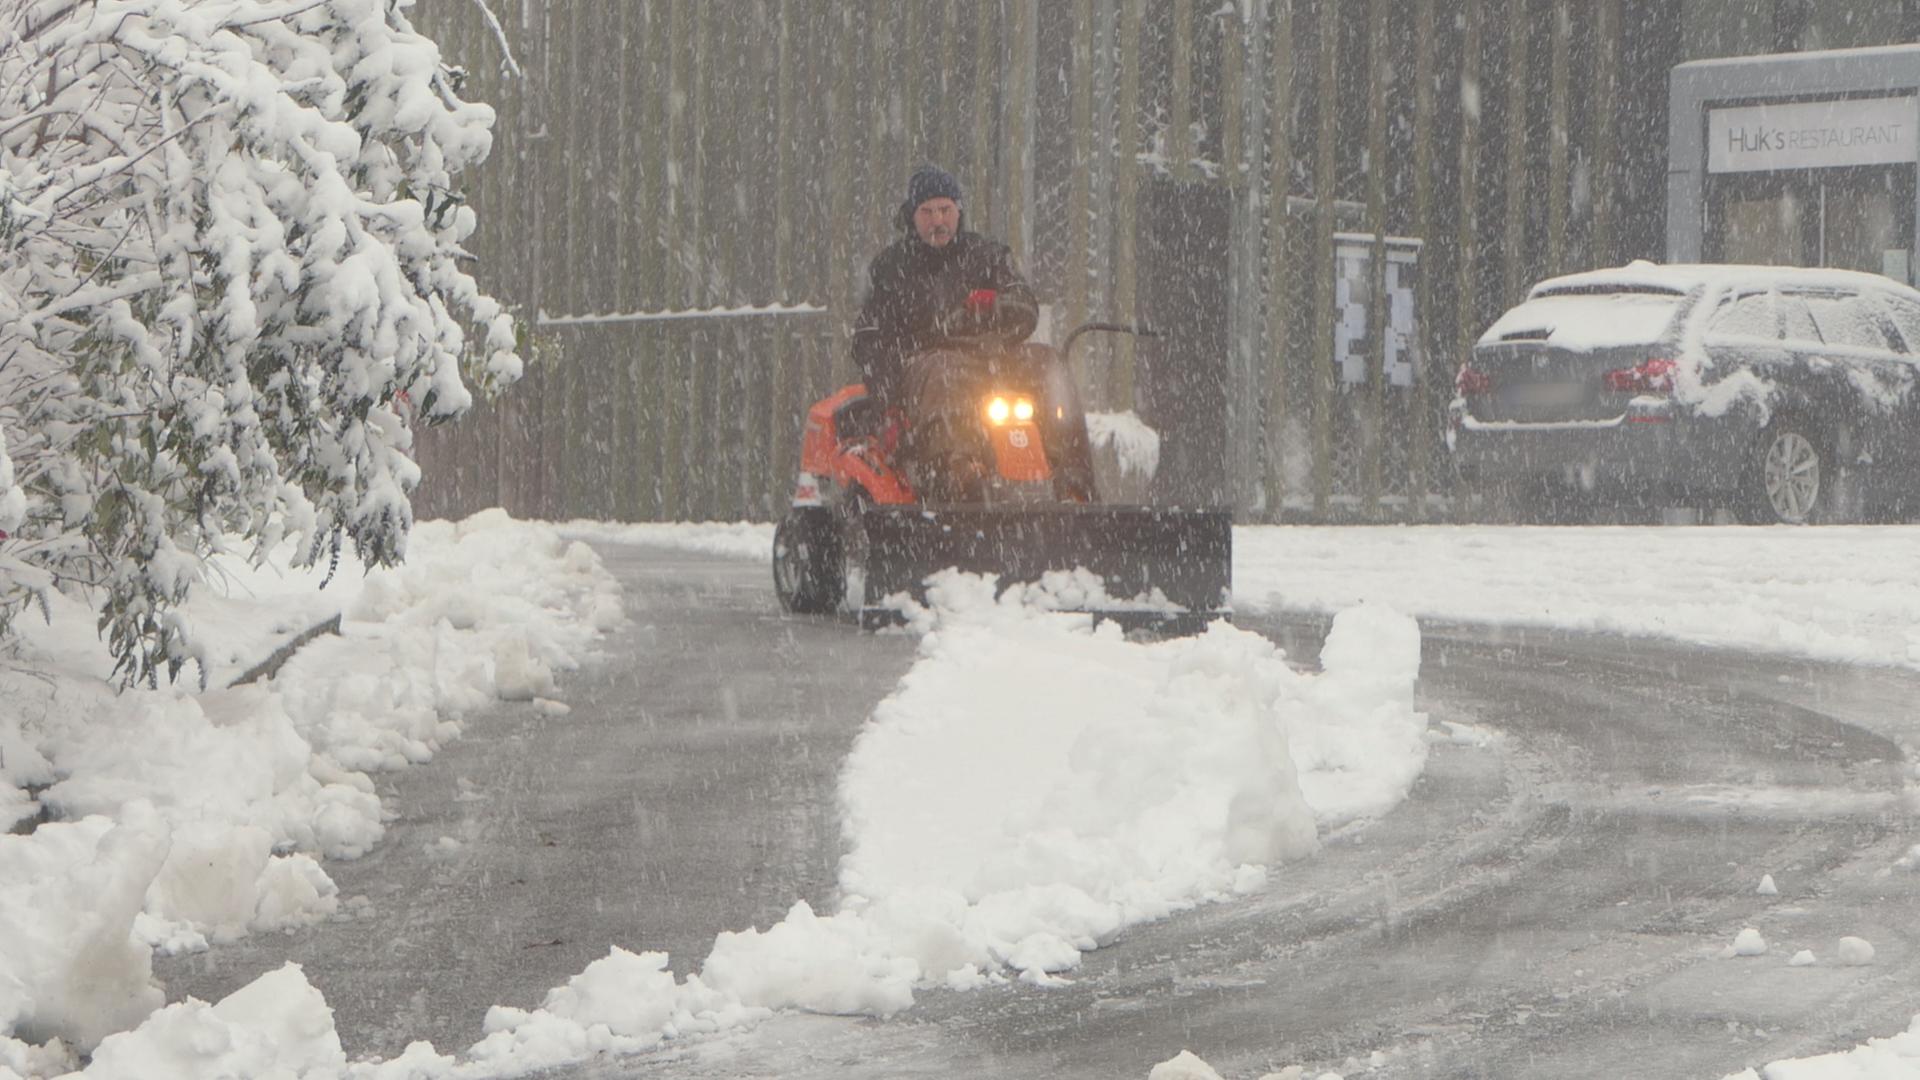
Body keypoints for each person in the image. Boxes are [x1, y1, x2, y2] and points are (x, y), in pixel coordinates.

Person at [852, 165, 1092, 501]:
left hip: (993, 358)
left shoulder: (988, 256)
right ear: (912, 216)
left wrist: (998, 304)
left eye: (945, 210)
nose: (938, 221)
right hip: (925, 366)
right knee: (946, 372)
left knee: (1048, 363)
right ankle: (959, 480)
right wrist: (888, 404)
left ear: (958, 211)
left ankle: (1074, 481)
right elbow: (870, 342)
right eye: (928, 212)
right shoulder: (891, 269)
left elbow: (1024, 304)